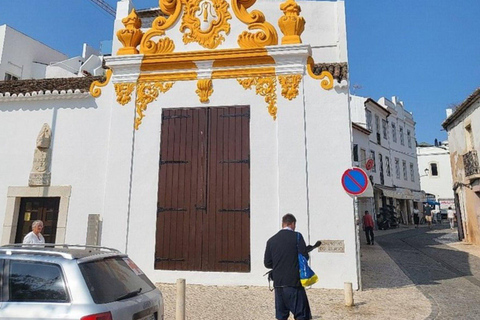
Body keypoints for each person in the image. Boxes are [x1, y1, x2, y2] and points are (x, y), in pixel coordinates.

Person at [264, 214, 320, 320]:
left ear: (283, 224)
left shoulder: (271, 240)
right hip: (294, 283)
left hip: (278, 284)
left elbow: (267, 263)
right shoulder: (297, 237)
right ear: (293, 224)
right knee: (301, 315)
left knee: (281, 316)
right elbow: (304, 257)